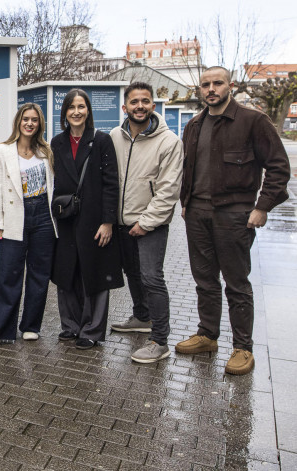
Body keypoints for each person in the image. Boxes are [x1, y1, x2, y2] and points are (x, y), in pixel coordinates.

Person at [177, 66, 290, 375]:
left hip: (234, 215)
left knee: (237, 284)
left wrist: (262, 207)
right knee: (204, 280)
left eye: (217, 83)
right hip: (197, 214)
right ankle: (207, 335)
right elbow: (189, 170)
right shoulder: (194, 125)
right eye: (205, 84)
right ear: (199, 89)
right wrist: (185, 203)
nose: (211, 88)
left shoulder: (253, 121)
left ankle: (243, 348)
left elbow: (279, 167)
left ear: (231, 86)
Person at [108, 82, 183, 364]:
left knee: (152, 278)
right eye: (134, 101)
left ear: (153, 105)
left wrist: (147, 222)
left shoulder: (169, 142)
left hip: (151, 224)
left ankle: (160, 340)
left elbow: (168, 190)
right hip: (122, 222)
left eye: (145, 101)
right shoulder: (116, 136)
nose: (140, 106)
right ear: (125, 107)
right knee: (133, 273)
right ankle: (142, 317)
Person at [0, 103, 57, 352]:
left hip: (43, 215)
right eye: (26, 119)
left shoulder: (46, 151)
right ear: (18, 122)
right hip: (15, 216)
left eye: (35, 120)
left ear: (40, 124)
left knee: (39, 275)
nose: (30, 123)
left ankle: (31, 327)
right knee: (7, 275)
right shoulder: (1, 151)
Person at [49, 89, 124, 350]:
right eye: (71, 107)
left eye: (81, 106)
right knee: (66, 273)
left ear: (88, 111)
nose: (76, 112)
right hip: (66, 218)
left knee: (93, 274)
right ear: (65, 112)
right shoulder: (56, 143)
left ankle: (91, 330)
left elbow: (111, 183)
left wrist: (108, 222)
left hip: (94, 219)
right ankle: (70, 326)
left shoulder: (101, 140)